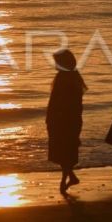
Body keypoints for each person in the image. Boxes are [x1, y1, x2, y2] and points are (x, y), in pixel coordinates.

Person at [46, 49, 87, 194]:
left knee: (63, 149)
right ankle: (68, 177)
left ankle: (67, 178)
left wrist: (52, 118)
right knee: (67, 150)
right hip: (71, 119)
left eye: (57, 62)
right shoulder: (72, 76)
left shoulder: (64, 79)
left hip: (63, 120)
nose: (55, 65)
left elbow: (60, 102)